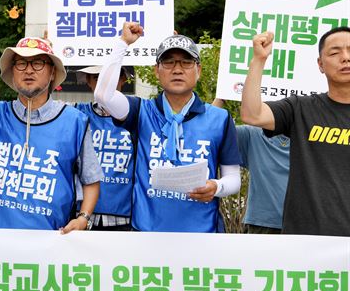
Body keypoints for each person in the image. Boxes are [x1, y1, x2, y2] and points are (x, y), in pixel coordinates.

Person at [0, 37, 102, 233]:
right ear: (13, 72)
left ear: (52, 73)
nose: (29, 70)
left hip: (50, 243)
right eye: (21, 63)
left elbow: (91, 179)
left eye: (38, 63)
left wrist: (83, 218)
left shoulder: (75, 122)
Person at [95, 22, 241, 232]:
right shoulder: (141, 111)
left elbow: (234, 178)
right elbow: (103, 95)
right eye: (169, 62)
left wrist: (216, 187)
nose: (178, 69)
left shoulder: (219, 118)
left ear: (198, 70)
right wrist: (123, 43)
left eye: (186, 63)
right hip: (146, 234)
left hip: (202, 235)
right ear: (157, 71)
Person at [240, 27, 350, 236]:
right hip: (304, 242)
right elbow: (252, 114)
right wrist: (259, 60)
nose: (345, 58)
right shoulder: (301, 108)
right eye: (335, 53)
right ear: (320, 64)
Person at [213, 99, 289, 234]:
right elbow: (211, 134)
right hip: (262, 224)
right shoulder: (252, 135)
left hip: (304, 224)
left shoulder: (310, 136)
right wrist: (222, 95)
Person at [74, 65, 135, 231]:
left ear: (123, 79)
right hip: (81, 217)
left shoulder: (138, 115)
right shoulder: (76, 114)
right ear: (88, 81)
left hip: (126, 218)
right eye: (97, 79)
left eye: (111, 78)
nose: (105, 85)